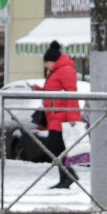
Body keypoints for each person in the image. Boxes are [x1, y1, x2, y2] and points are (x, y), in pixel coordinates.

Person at [34, 41, 82, 189]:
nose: (45, 65)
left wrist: (72, 117)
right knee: (58, 149)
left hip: (62, 118)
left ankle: (68, 175)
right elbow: (54, 91)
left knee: (55, 147)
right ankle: (65, 178)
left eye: (46, 62)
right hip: (55, 116)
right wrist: (38, 90)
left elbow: (71, 94)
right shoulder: (56, 71)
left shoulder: (65, 70)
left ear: (53, 61)